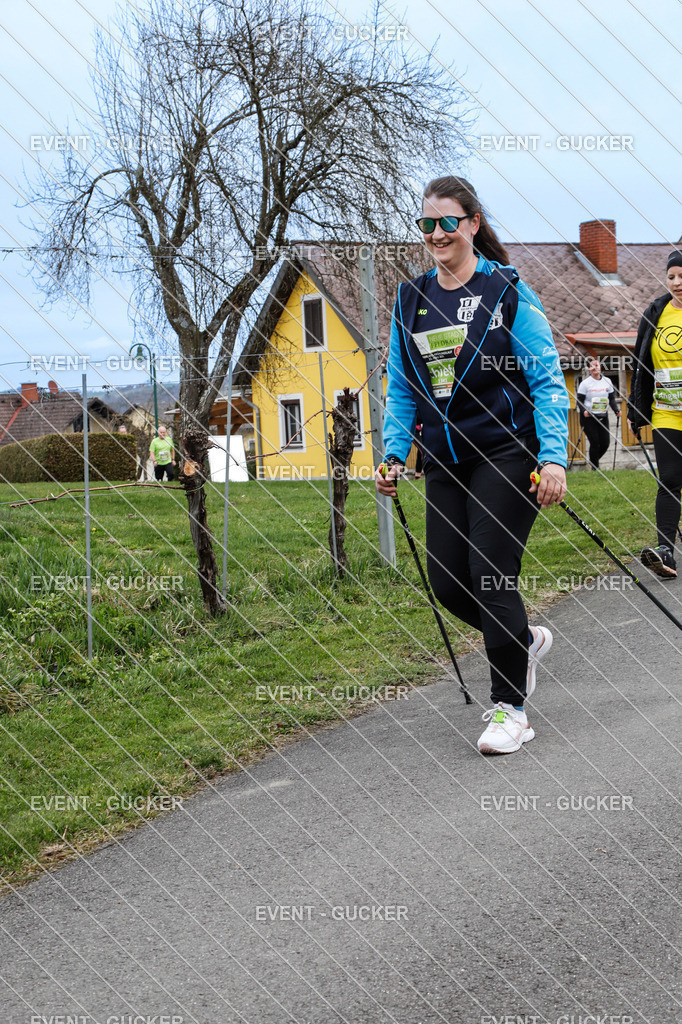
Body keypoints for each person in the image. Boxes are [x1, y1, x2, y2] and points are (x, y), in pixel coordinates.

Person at [375, 175, 569, 756]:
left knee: (489, 571)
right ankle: (522, 640)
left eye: (448, 222)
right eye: (427, 224)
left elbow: (545, 379)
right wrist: (393, 453)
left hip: (507, 452)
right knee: (448, 582)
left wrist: (554, 457)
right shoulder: (409, 300)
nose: (437, 234)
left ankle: (511, 710)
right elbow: (402, 389)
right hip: (444, 458)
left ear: (473, 224)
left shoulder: (505, 291)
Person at [627, 250, 682, 580]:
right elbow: (640, 365)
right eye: (671, 276)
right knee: (670, 479)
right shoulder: (655, 313)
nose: (677, 282)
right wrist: (635, 410)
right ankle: (665, 552)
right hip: (667, 412)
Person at [576, 357, 621, 470]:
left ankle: (593, 462)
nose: (594, 367)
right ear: (589, 369)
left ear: (600, 367)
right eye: (592, 366)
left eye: (596, 365)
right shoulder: (585, 384)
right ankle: (595, 468)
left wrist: (616, 410)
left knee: (605, 443)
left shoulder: (607, 381)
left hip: (602, 416)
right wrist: (584, 411)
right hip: (589, 417)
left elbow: (611, 398)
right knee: (595, 442)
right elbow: (579, 401)